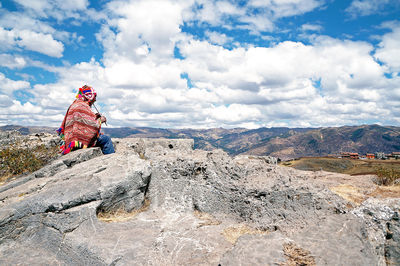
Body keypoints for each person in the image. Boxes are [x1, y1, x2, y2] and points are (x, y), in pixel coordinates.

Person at [57, 85, 115, 155]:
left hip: (70, 139)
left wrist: (95, 116)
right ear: (89, 96)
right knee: (106, 139)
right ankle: (110, 157)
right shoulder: (83, 106)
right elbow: (91, 125)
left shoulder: (74, 104)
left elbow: (84, 121)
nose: (95, 100)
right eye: (95, 97)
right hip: (80, 140)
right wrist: (101, 120)